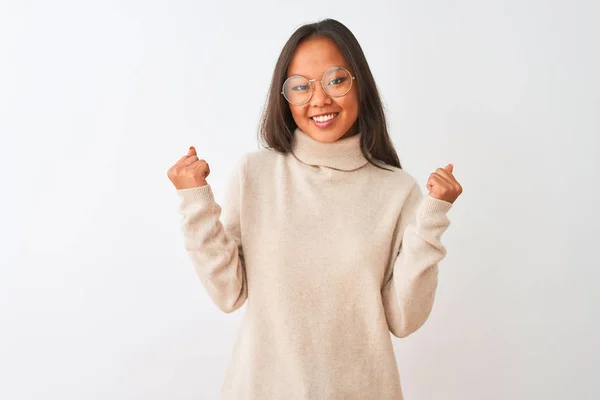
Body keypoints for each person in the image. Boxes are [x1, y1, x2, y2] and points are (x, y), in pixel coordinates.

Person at [167, 18, 462, 400]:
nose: (319, 99)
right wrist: (195, 201)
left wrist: (433, 216)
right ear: (284, 97)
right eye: (301, 87)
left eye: (335, 80)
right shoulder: (256, 175)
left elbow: (404, 319)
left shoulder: (396, 190)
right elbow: (228, 293)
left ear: (360, 85)